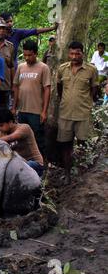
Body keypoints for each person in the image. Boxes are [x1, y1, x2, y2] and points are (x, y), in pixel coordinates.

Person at [56, 41, 99, 184]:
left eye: (77, 53)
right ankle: (67, 174)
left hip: (82, 114)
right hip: (65, 114)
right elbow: (59, 88)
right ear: (69, 53)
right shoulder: (62, 69)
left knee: (83, 143)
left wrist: (87, 104)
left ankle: (82, 175)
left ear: (83, 53)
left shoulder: (91, 70)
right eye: (72, 53)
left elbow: (94, 90)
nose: (74, 56)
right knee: (65, 145)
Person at [12, 40, 51, 156]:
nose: (27, 58)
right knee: (21, 137)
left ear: (36, 54)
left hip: (36, 111)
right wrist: (14, 107)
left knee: (37, 138)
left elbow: (47, 89)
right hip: (22, 110)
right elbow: (16, 87)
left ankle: (40, 163)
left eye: (29, 55)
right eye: (25, 55)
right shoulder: (21, 67)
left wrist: (44, 111)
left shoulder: (43, 68)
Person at [0, 109, 44, 177]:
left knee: (19, 168)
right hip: (18, 164)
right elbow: (3, 154)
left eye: (1, 125)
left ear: (10, 122)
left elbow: (11, 137)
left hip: (35, 164)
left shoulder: (24, 128)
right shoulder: (1, 134)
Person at [0, 18, 15, 110]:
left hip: (5, 87)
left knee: (3, 115)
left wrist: (13, 85)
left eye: (3, 28)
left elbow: (11, 66)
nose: (1, 31)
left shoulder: (10, 46)